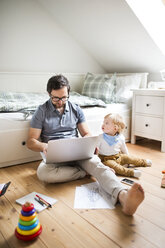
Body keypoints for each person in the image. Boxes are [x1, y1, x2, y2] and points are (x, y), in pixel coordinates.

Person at [27, 74, 145, 216]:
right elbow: (31, 142)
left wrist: (91, 143)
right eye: (56, 98)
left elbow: (86, 134)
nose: (60, 101)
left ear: (68, 93)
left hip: (78, 152)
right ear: (49, 94)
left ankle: (123, 196)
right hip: (55, 156)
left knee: (98, 165)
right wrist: (44, 146)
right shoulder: (41, 111)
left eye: (64, 97)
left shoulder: (76, 109)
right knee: (43, 173)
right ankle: (86, 172)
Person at [97, 113, 152, 178]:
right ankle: (131, 173)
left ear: (115, 128)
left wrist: (128, 158)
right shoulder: (100, 138)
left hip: (118, 157)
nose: (103, 124)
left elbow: (124, 149)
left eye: (106, 123)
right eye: (103, 122)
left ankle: (144, 162)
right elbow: (96, 151)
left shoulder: (120, 137)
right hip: (106, 160)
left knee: (130, 158)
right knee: (116, 167)